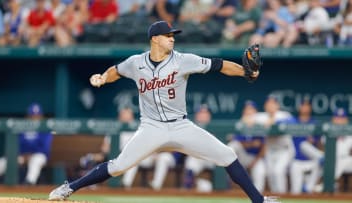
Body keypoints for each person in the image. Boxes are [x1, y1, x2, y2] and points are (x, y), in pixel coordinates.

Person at [49, 20, 278, 203]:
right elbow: (116, 70)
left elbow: (219, 65)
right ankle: (69, 187)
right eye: (168, 36)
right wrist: (103, 78)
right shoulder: (135, 62)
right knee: (118, 167)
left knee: (227, 155)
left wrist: (246, 73)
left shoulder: (184, 60)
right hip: (151, 127)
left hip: (181, 125)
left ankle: (259, 200)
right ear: (155, 39)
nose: (172, 39)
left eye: (173, 36)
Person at [0, 103, 53, 185]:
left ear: (41, 116)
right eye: (32, 116)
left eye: (37, 116)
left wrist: (30, 155)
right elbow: (16, 145)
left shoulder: (45, 128)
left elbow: (45, 148)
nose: (34, 118)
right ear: (28, 116)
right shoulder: (22, 128)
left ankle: (29, 183)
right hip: (22, 155)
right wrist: (18, 155)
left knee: (36, 160)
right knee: (4, 161)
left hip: (38, 155)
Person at [255, 95, 295, 194]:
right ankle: (275, 197)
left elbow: (293, 121)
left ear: (277, 105)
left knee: (278, 171)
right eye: (268, 103)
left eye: (273, 103)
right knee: (271, 174)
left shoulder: (284, 115)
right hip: (270, 150)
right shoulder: (261, 116)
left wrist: (275, 121)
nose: (270, 106)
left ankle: (283, 196)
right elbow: (248, 120)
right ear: (265, 106)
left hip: (284, 150)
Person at [227, 100, 266, 193]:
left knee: (260, 172)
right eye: (247, 109)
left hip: (255, 158)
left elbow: (263, 146)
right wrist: (251, 143)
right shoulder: (240, 124)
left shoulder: (260, 125)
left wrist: (255, 161)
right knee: (232, 145)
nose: (249, 112)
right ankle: (227, 189)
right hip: (241, 157)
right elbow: (236, 142)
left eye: (251, 109)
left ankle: (258, 196)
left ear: (255, 111)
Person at [289, 100, 324, 194]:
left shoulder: (315, 123)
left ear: (310, 108)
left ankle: (308, 187)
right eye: (303, 105)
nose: (305, 108)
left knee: (321, 161)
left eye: (307, 106)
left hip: (311, 160)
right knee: (295, 192)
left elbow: (321, 143)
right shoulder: (293, 121)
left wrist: (314, 140)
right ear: (300, 108)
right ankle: (308, 187)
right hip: (296, 160)